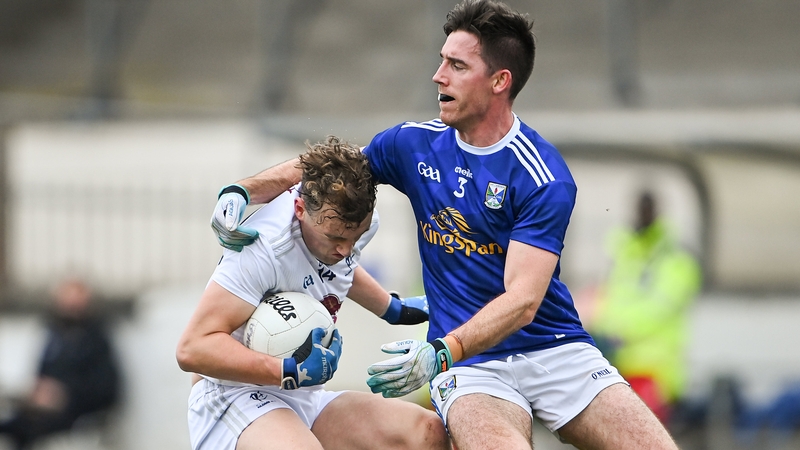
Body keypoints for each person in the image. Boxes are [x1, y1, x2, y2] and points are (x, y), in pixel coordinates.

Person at [209, 1, 679, 448]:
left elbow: (523, 301)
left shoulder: (542, 176)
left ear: (499, 81)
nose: (438, 75)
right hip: (473, 367)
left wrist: (440, 351)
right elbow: (328, 168)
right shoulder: (413, 146)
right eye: (442, 61)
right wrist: (243, 191)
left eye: (457, 65)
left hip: (554, 348)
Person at [176, 136, 449, 450]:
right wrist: (288, 370)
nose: (345, 250)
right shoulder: (262, 249)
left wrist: (392, 308)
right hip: (234, 396)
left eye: (354, 238)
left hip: (305, 397)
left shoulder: (351, 224)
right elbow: (192, 349)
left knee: (425, 432)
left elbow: (338, 264)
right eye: (335, 238)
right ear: (299, 209)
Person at [588, 191, 702, 424]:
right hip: (616, 368)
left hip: (656, 373)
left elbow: (660, 308)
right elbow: (608, 298)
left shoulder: (675, 256)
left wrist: (615, 332)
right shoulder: (623, 250)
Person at [0, 278, 121, 450]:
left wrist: (63, 394)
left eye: (76, 301)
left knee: (29, 431)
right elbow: (42, 373)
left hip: (74, 415)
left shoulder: (96, 340)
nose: (71, 306)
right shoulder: (54, 336)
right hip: (42, 412)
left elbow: (106, 388)